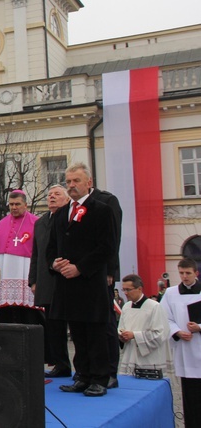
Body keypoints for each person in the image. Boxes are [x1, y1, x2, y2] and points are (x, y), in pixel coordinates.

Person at [48, 162, 116, 397]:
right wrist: (54, 263)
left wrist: (80, 268)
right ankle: (83, 375)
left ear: (89, 183)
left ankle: (100, 377)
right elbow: (51, 247)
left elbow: (106, 247)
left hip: (90, 282)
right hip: (67, 284)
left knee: (95, 333)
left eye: (76, 181)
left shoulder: (101, 209)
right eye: (68, 182)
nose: (71, 186)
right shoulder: (61, 215)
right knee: (76, 333)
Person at [29, 184, 72, 378]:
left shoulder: (70, 217)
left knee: (70, 323)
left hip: (66, 277)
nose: (51, 197)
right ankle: (60, 363)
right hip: (45, 280)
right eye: (49, 195)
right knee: (53, 324)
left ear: (67, 198)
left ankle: (76, 365)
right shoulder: (40, 222)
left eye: (57, 194)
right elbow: (36, 253)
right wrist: (33, 280)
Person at [0, 190, 42, 324]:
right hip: (6, 285)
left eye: (17, 204)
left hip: (28, 284)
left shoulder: (37, 224)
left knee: (31, 321)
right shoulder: (0, 225)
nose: (14, 207)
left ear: (25, 205)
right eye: (11, 204)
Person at [160, 258, 201, 426]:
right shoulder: (170, 293)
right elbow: (164, 318)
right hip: (186, 351)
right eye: (181, 273)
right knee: (190, 395)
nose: (184, 277)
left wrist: (199, 327)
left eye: (188, 273)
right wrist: (177, 331)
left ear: (196, 273)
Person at [90, 185, 123, 389]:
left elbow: (114, 237)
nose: (72, 185)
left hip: (102, 271)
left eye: (76, 180)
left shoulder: (106, 200)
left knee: (106, 323)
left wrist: (110, 269)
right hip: (80, 273)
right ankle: (89, 371)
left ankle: (111, 371)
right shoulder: (74, 205)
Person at [117, 274, 171, 376]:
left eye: (128, 290)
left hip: (149, 358)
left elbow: (160, 334)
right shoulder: (126, 306)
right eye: (123, 290)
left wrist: (134, 335)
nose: (125, 293)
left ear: (140, 289)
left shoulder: (154, 306)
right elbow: (121, 327)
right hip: (130, 354)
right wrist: (122, 336)